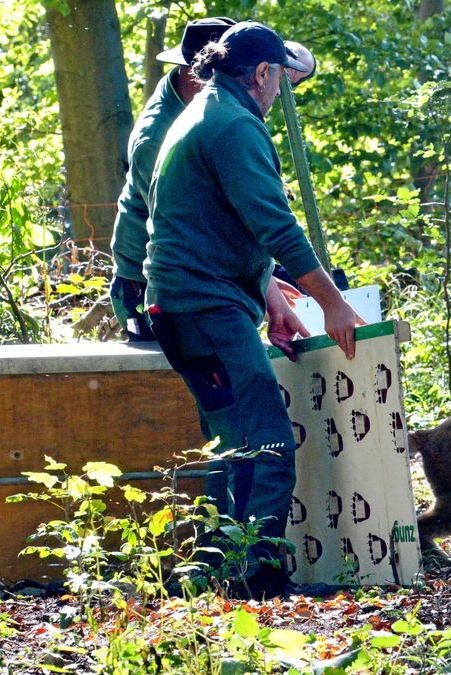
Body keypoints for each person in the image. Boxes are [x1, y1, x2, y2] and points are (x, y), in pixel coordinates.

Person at [144, 20, 364, 599]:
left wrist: (271, 297)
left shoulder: (201, 112)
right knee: (268, 442)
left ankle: (209, 573)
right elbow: (276, 226)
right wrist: (334, 305)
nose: (278, 93)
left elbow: (215, 221)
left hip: (180, 304)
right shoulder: (235, 126)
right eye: (278, 81)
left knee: (231, 442)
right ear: (262, 73)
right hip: (206, 308)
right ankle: (259, 578)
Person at [108, 18, 316, 341]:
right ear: (198, 73)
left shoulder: (211, 110)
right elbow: (193, 228)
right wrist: (269, 289)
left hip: (204, 269)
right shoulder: (159, 138)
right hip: (148, 284)